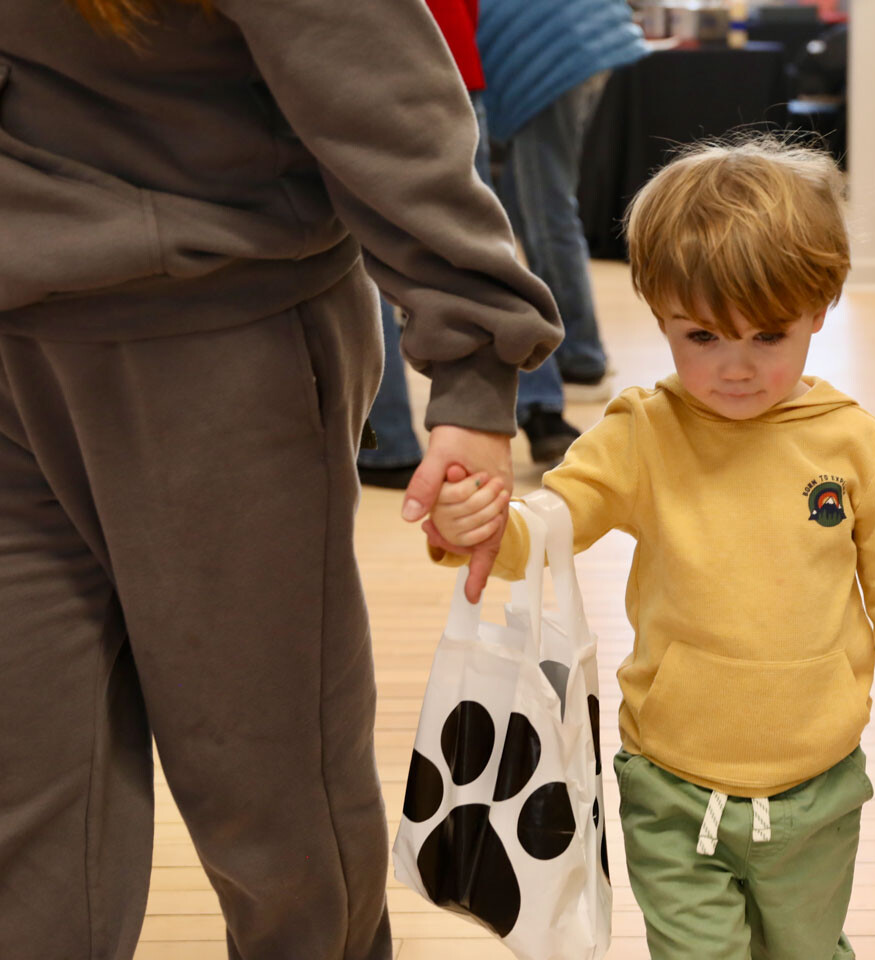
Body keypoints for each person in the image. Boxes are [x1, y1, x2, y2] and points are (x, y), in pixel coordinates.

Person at [0, 0, 560, 956]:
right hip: (17, 346)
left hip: (216, 344)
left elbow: (383, 89)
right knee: (28, 795)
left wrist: (473, 371)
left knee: (270, 797)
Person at [427, 137, 875, 960]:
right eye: (703, 336)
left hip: (819, 787)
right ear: (661, 316)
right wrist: (480, 526)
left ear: (820, 309)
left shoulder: (856, 447)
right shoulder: (644, 432)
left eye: (768, 335)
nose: (736, 368)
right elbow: (552, 523)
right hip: (672, 787)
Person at [476, 0, 650, 462]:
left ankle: (580, 359)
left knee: (544, 212)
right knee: (533, 206)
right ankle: (574, 358)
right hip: (576, 34)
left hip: (548, 53)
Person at [359, 0, 491, 488]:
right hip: (454, 66)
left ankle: (390, 444)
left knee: (365, 251)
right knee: (477, 248)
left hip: (379, 69)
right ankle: (532, 408)